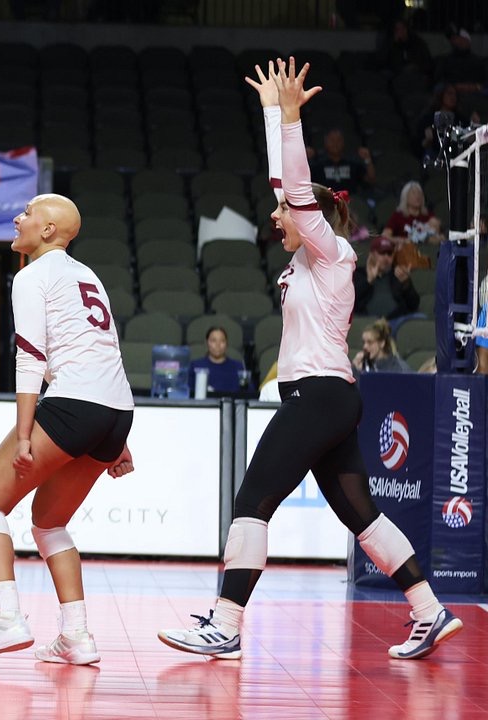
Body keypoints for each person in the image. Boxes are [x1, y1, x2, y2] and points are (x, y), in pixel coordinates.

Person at [159, 57, 461, 661]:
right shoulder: (304, 258)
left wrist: (292, 121)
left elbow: (295, 190)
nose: (275, 216)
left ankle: (226, 622)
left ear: (311, 217)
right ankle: (429, 609)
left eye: (284, 213)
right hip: (326, 397)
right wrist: (272, 113)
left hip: (319, 394)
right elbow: (284, 186)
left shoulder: (332, 251)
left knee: (253, 499)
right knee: (362, 515)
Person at [0, 195, 134, 662]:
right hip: (115, 410)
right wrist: (119, 440)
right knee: (50, 523)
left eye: (28, 213)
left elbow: (31, 358)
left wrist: (26, 433)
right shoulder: (87, 275)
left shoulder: (32, 275)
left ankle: (6, 618)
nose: (17, 217)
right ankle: (76, 635)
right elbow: (102, 351)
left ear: (48, 230)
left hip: (72, 405)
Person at [353, 236, 420, 319]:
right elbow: (351, 302)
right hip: (367, 323)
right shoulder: (358, 274)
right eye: (382, 253)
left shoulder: (397, 275)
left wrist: (406, 284)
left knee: (420, 318)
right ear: (372, 255)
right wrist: (368, 281)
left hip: (395, 322)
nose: (386, 258)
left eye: (389, 254)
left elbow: (414, 305)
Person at [382, 181, 443, 270]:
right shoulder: (398, 216)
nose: (417, 196)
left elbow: (438, 237)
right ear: (405, 197)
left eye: (419, 193)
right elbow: (385, 236)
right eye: (413, 193)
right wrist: (403, 240)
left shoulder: (428, 216)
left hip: (426, 256)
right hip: (405, 258)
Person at [308, 129, 373, 196]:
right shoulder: (317, 165)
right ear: (325, 142)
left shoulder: (353, 163)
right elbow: (304, 184)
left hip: (349, 202)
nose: (335, 143)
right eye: (332, 140)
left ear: (343, 142)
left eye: (338, 140)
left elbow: (370, 180)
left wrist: (367, 159)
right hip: (325, 202)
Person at [189, 326, 250, 395]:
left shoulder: (238, 367)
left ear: (226, 343)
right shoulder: (196, 366)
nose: (218, 345)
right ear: (207, 343)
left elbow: (249, 394)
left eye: (222, 341)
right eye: (213, 341)